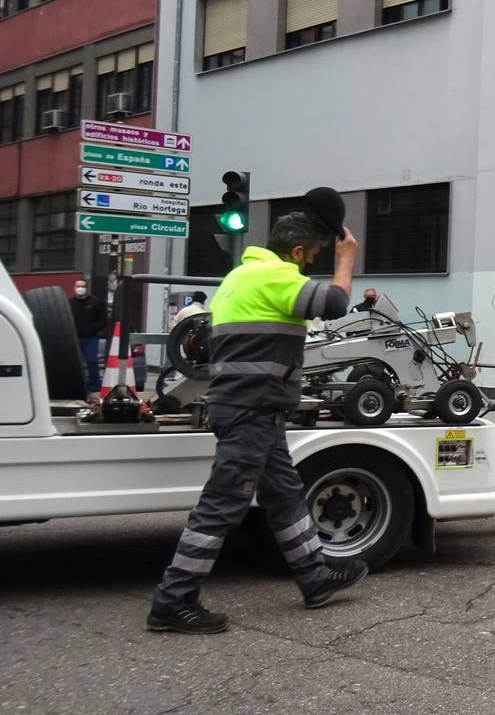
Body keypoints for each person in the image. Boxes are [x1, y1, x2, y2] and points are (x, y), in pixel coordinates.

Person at [148, 192, 368, 634]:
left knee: (284, 495)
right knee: (222, 503)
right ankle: (173, 601)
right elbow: (335, 304)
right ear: (300, 251)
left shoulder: (239, 276)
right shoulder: (276, 277)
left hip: (251, 409)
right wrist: (346, 259)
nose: (315, 260)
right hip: (251, 410)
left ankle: (315, 577)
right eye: (316, 253)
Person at [70, 279, 108, 395]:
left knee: (91, 360)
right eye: (78, 286)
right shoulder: (70, 303)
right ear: (74, 288)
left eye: (82, 286)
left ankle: (95, 386)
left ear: (87, 288)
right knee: (75, 363)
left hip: (90, 338)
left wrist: (95, 330)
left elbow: (103, 319)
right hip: (74, 338)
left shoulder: (95, 302)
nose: (80, 288)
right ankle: (75, 385)